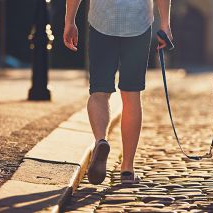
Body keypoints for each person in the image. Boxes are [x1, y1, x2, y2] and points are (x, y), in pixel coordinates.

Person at [64, 0, 172, 184]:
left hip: (102, 22)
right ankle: (127, 169)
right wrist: (165, 25)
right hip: (138, 23)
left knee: (99, 92)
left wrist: (70, 21)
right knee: (131, 95)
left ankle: (100, 141)